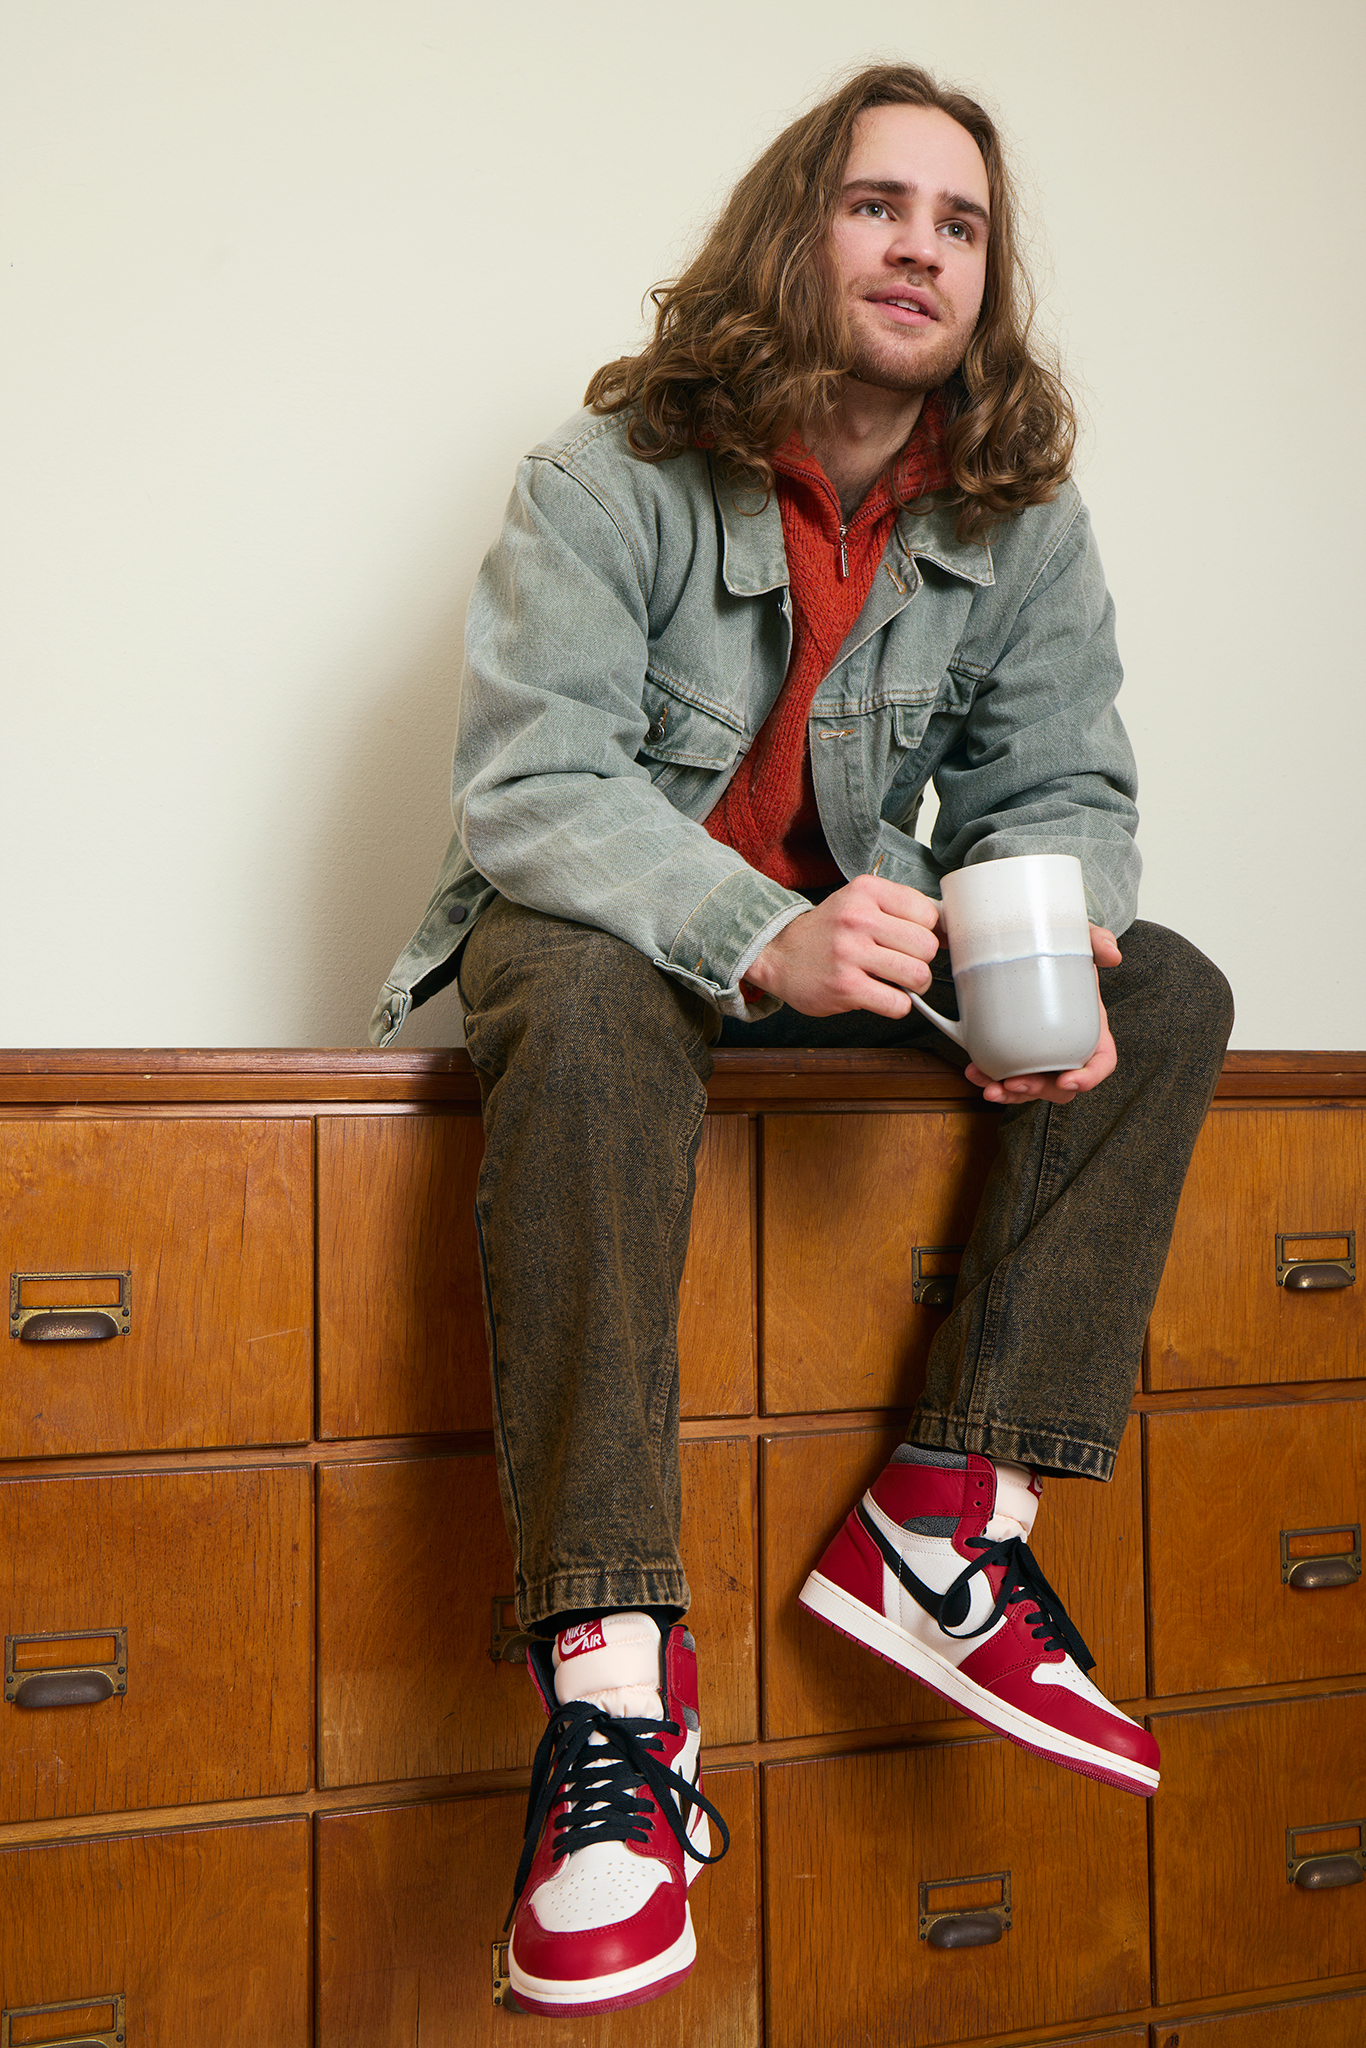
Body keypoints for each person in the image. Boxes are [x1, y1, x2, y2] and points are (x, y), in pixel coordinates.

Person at [371, 62, 1233, 2019]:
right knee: (574, 981)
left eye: (959, 222)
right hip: (632, 954)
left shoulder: (1018, 518)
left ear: (985, 278)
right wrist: (759, 935)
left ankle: (948, 1517)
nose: (920, 247)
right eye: (876, 205)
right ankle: (614, 1698)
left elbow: (1058, 782)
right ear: (795, 231)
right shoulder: (603, 478)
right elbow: (532, 786)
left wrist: (1037, 949)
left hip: (849, 962)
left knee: (1165, 983)